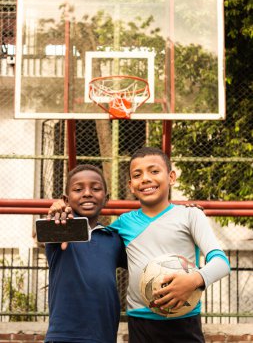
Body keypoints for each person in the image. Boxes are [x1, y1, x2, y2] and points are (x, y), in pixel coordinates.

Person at [49, 147, 230, 343]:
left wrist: (194, 280)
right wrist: (57, 212)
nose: (145, 178)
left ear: (171, 177)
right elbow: (87, 236)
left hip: (183, 320)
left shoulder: (190, 215)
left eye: (154, 171)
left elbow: (221, 263)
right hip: (140, 324)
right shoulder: (121, 225)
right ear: (131, 185)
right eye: (137, 175)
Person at [44, 164, 127, 343]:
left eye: (96, 188)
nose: (87, 193)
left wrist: (186, 214)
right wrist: (55, 212)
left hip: (103, 336)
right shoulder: (59, 230)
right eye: (78, 189)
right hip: (63, 336)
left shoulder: (113, 238)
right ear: (66, 200)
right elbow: (39, 233)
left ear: (106, 198)